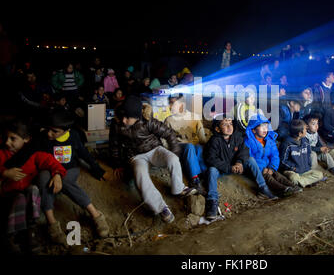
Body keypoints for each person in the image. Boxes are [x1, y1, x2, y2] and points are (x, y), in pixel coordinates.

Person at [109, 96, 197, 224]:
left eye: (128, 117)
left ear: (137, 116)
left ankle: (178, 188)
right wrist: (117, 164)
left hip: (154, 150)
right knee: (140, 176)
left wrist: (174, 153)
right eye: (123, 116)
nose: (124, 120)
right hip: (135, 156)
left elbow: (169, 134)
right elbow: (114, 145)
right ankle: (161, 208)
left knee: (172, 158)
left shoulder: (147, 121)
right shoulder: (116, 124)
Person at [36, 110, 109, 244]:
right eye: (48, 129)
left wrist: (98, 170)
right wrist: (55, 173)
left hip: (70, 169)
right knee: (43, 178)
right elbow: (42, 159)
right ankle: (51, 222)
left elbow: (84, 154)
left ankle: (96, 214)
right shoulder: (44, 138)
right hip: (48, 170)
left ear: (66, 130)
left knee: (65, 180)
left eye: (54, 131)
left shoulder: (74, 136)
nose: (49, 133)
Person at [0, 119, 67, 254]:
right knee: (19, 197)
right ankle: (11, 236)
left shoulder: (33, 154)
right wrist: (5, 173)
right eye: (6, 138)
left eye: (13, 139)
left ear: (26, 140)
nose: (7, 142)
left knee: (33, 189)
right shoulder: (2, 154)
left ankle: (31, 232)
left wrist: (58, 174)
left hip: (25, 194)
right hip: (8, 195)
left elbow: (51, 162)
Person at [204, 116, 277, 220]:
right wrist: (229, 168)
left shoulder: (237, 137)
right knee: (211, 170)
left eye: (231, 123)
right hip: (222, 169)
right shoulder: (214, 141)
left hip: (237, 167)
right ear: (217, 129)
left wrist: (239, 163)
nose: (229, 127)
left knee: (250, 159)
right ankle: (212, 201)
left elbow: (244, 151)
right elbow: (211, 159)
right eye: (225, 124)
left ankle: (263, 188)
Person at [245, 114, 300, 197]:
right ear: (253, 130)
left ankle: (292, 186)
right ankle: (283, 190)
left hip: (268, 167)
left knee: (277, 175)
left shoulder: (269, 141)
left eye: (266, 127)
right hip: (257, 170)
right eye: (262, 127)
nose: (265, 129)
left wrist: (272, 167)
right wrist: (262, 169)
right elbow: (249, 158)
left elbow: (275, 156)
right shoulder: (248, 142)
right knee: (268, 178)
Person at [164, 95, 210, 194]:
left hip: (193, 148)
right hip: (180, 148)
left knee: (198, 148)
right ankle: (194, 180)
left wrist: (207, 147)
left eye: (173, 103)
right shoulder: (169, 120)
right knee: (189, 146)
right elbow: (165, 139)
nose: (170, 106)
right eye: (169, 103)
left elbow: (202, 137)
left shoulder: (194, 117)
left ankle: (205, 176)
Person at [278, 119, 324, 188]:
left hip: (305, 170)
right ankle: (306, 182)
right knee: (293, 178)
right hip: (293, 171)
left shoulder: (305, 141)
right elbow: (283, 161)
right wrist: (293, 168)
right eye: (305, 129)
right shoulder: (286, 144)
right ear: (300, 133)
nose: (306, 130)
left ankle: (301, 183)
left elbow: (308, 154)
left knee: (320, 175)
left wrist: (308, 166)